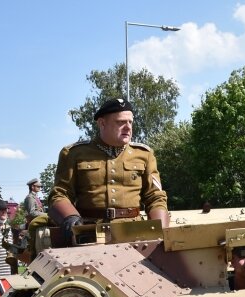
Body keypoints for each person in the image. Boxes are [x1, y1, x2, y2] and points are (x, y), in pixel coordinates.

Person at [47, 98, 169, 244]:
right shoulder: (74, 153)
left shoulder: (144, 154)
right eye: (120, 122)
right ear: (102, 123)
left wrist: (160, 230)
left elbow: (155, 197)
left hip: (134, 233)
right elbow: (59, 194)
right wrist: (70, 218)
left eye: (130, 122)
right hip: (89, 232)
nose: (128, 127)